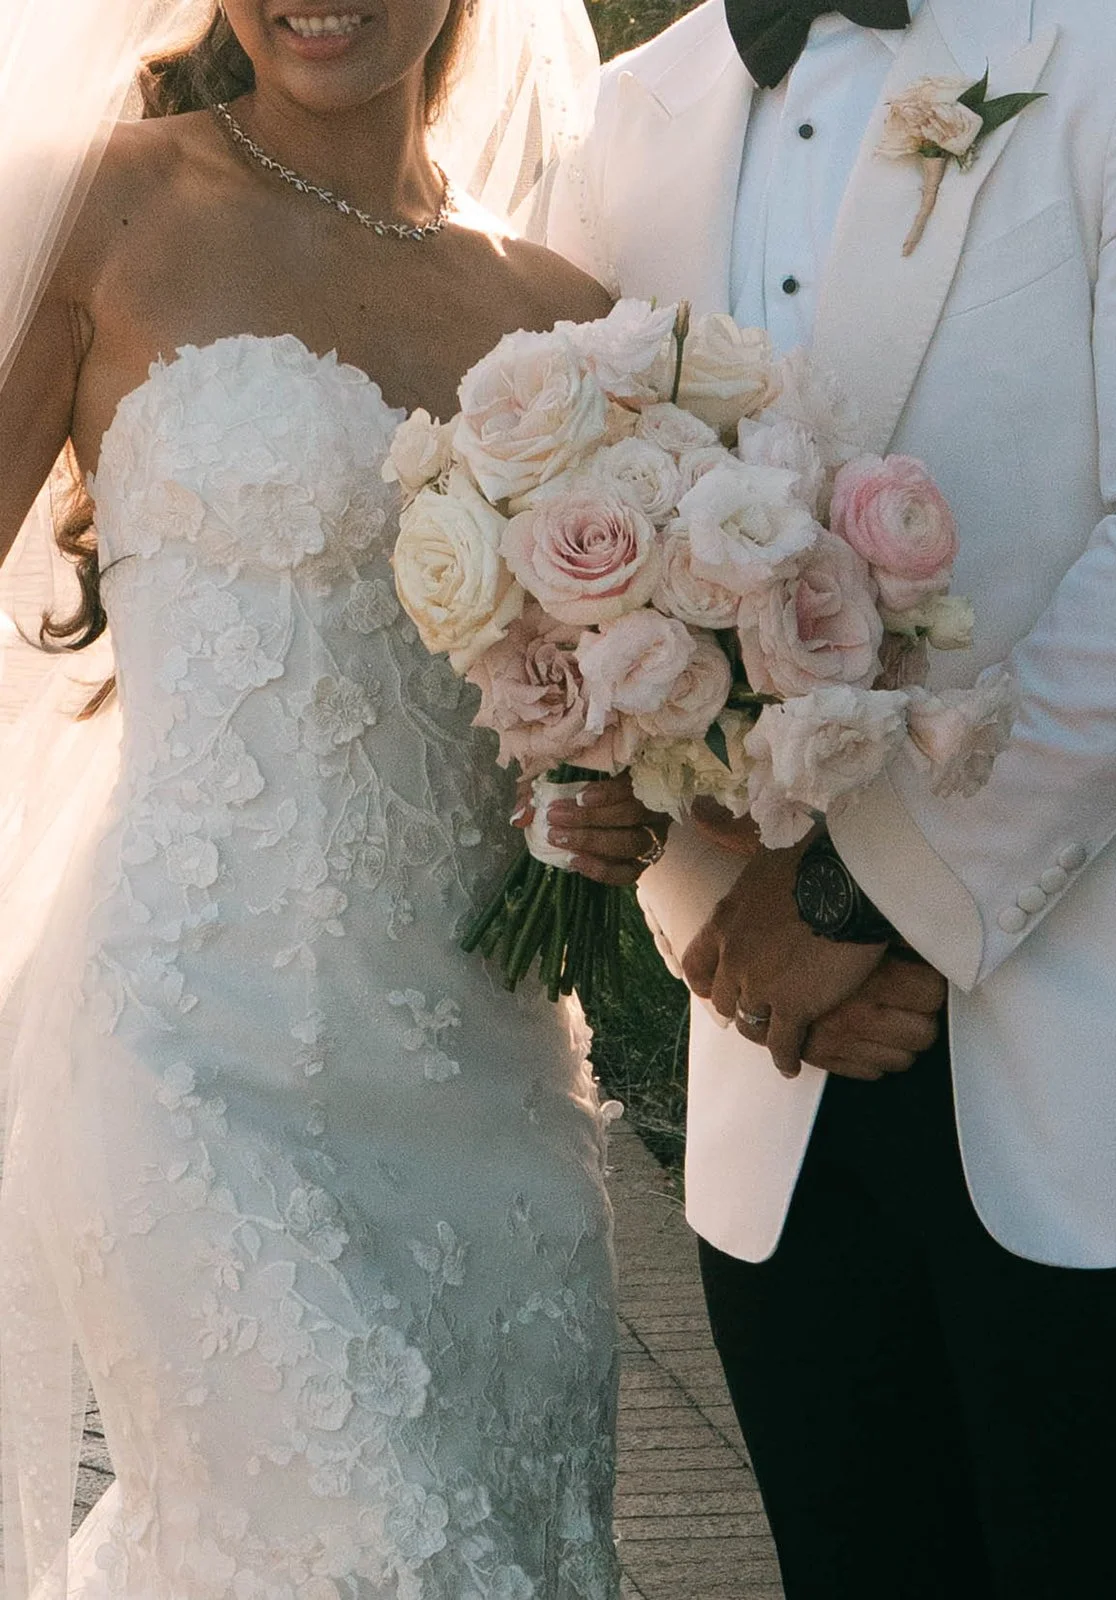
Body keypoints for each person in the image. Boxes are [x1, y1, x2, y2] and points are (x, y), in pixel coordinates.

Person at [549, 0, 1116, 1594]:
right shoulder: (629, 118)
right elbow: (584, 573)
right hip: (792, 1104)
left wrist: (853, 900)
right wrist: (724, 940)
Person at [0, 3, 662, 1595]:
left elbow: (591, 733)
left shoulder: (564, 325)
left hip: (484, 1089)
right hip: (185, 1053)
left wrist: (604, 815)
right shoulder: (101, 205)